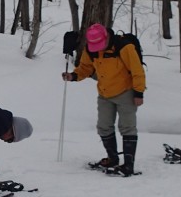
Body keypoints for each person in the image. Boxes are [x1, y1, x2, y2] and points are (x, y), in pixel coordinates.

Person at [62, 23, 146, 176]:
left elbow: (137, 70)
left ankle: (128, 165)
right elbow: (85, 68)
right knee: (103, 126)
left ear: (106, 37)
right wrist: (73, 76)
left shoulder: (124, 47)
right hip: (105, 93)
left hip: (126, 92)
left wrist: (139, 93)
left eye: (100, 45)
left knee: (127, 127)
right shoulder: (90, 49)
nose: (98, 49)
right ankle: (113, 159)